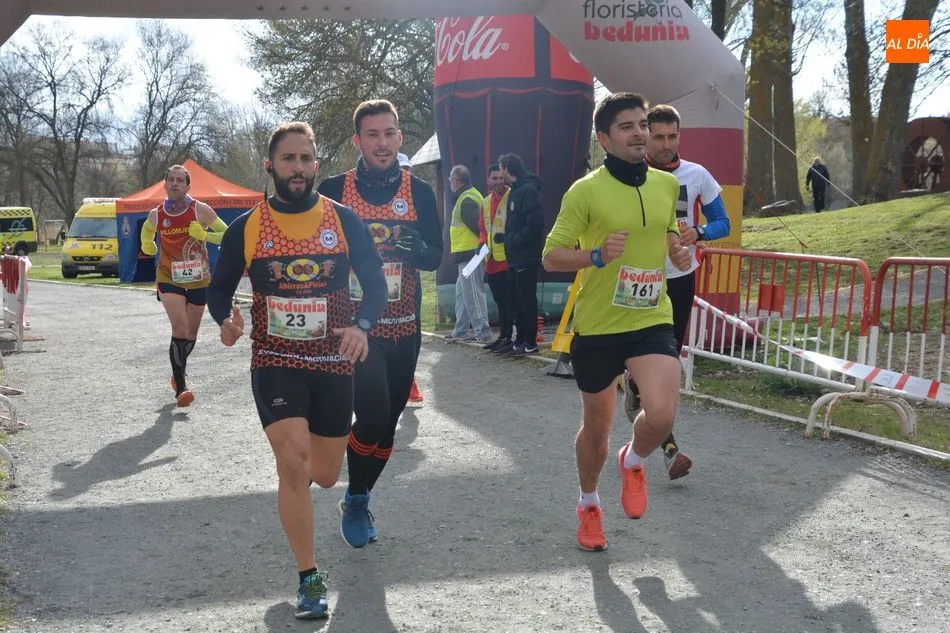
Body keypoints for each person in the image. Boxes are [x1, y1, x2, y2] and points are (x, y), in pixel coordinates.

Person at [206, 121, 388, 620]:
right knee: (293, 464)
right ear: (271, 166)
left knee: (326, 475)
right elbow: (219, 290)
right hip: (275, 360)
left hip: (333, 360)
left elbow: (375, 287)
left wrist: (363, 327)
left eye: (307, 159)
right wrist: (225, 320)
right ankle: (309, 577)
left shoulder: (343, 220)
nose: (299, 169)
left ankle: (329, 495)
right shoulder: (247, 227)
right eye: (289, 159)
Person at [542, 92, 692, 552]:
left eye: (642, 124)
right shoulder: (584, 191)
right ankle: (589, 503)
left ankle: (635, 459)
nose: (640, 133)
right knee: (598, 428)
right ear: (604, 138)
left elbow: (667, 232)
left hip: (650, 317)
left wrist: (677, 249)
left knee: (664, 410)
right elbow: (550, 256)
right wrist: (594, 255)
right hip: (600, 323)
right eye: (627, 126)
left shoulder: (667, 186)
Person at [317, 99, 443, 548]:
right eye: (373, 135)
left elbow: (436, 257)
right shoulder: (333, 190)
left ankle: (357, 495)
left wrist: (414, 248)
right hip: (356, 329)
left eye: (390, 133)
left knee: (387, 425)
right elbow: (317, 254)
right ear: (358, 141)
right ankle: (352, 488)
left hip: (404, 326)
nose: (383, 143)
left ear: (399, 138)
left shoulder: (420, 192)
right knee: (369, 416)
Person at [616, 103, 732, 480]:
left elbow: (722, 222)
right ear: (646, 135)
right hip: (639, 276)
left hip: (680, 278)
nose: (665, 144)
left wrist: (698, 233)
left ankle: (641, 399)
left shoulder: (697, 175)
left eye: (672, 136)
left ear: (680, 136)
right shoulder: (631, 175)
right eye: (658, 136)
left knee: (668, 358)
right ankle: (667, 445)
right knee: (644, 357)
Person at [140, 164, 228, 408]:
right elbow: (147, 231)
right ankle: (181, 387)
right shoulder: (157, 214)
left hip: (198, 278)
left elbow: (227, 235)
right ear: (165, 184)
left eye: (180, 180)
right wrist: (148, 245)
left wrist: (205, 235)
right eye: (171, 179)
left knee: (191, 335)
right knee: (179, 327)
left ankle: (177, 371)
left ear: (188, 186)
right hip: (169, 277)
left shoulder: (200, 210)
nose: (175, 183)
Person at [498, 153, 544, 355]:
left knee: (526, 299)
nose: (500, 173)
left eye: (501, 169)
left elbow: (535, 223)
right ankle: (519, 340)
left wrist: (516, 239)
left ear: (508, 169)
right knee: (515, 298)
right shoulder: (515, 192)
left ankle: (530, 341)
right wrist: (505, 237)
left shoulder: (528, 191)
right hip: (515, 257)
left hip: (526, 255)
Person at [446, 165, 492, 343]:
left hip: (471, 255)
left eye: (450, 179)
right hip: (468, 255)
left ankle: (483, 333)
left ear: (456, 181)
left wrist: (480, 250)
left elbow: (479, 228)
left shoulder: (466, 200)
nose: (449, 182)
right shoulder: (469, 196)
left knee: (472, 293)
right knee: (463, 294)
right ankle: (460, 331)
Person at [479, 163, 514, 353]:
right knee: (499, 301)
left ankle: (510, 337)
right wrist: (481, 244)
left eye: (501, 178)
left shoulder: (512, 197)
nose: (498, 182)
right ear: (488, 180)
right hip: (491, 260)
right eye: (495, 178)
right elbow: (483, 229)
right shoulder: (485, 201)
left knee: (509, 301)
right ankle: (503, 336)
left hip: (507, 259)